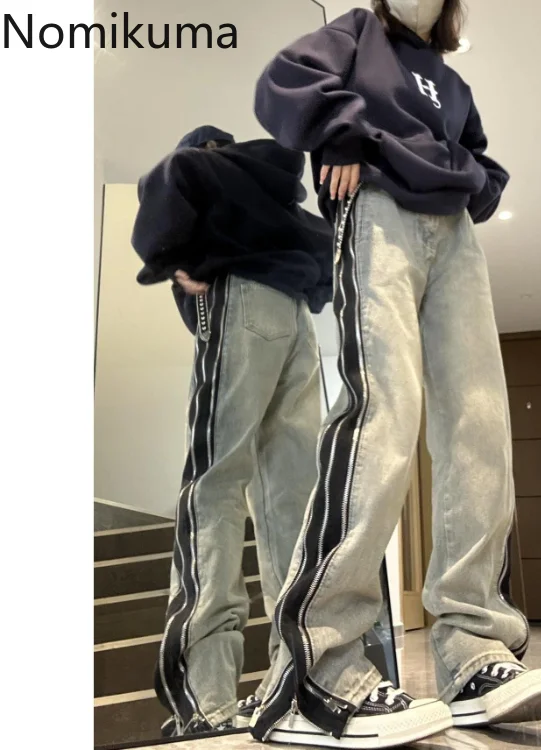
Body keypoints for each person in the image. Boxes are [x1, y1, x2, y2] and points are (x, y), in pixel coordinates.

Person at [248, 2, 541, 747]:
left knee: (480, 424)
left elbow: (479, 156)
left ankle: (474, 649)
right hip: (375, 206)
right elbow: (284, 80)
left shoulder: (451, 84)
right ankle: (314, 669)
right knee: (381, 411)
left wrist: (472, 183)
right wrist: (341, 132)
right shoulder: (356, 33)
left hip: (454, 235)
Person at [131, 126, 333, 736]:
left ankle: (208, 696)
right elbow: (324, 247)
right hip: (295, 321)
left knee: (215, 485)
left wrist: (171, 262)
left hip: (238, 300)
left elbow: (165, 183)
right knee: (292, 497)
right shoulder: (275, 185)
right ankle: (295, 682)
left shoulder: (199, 166)